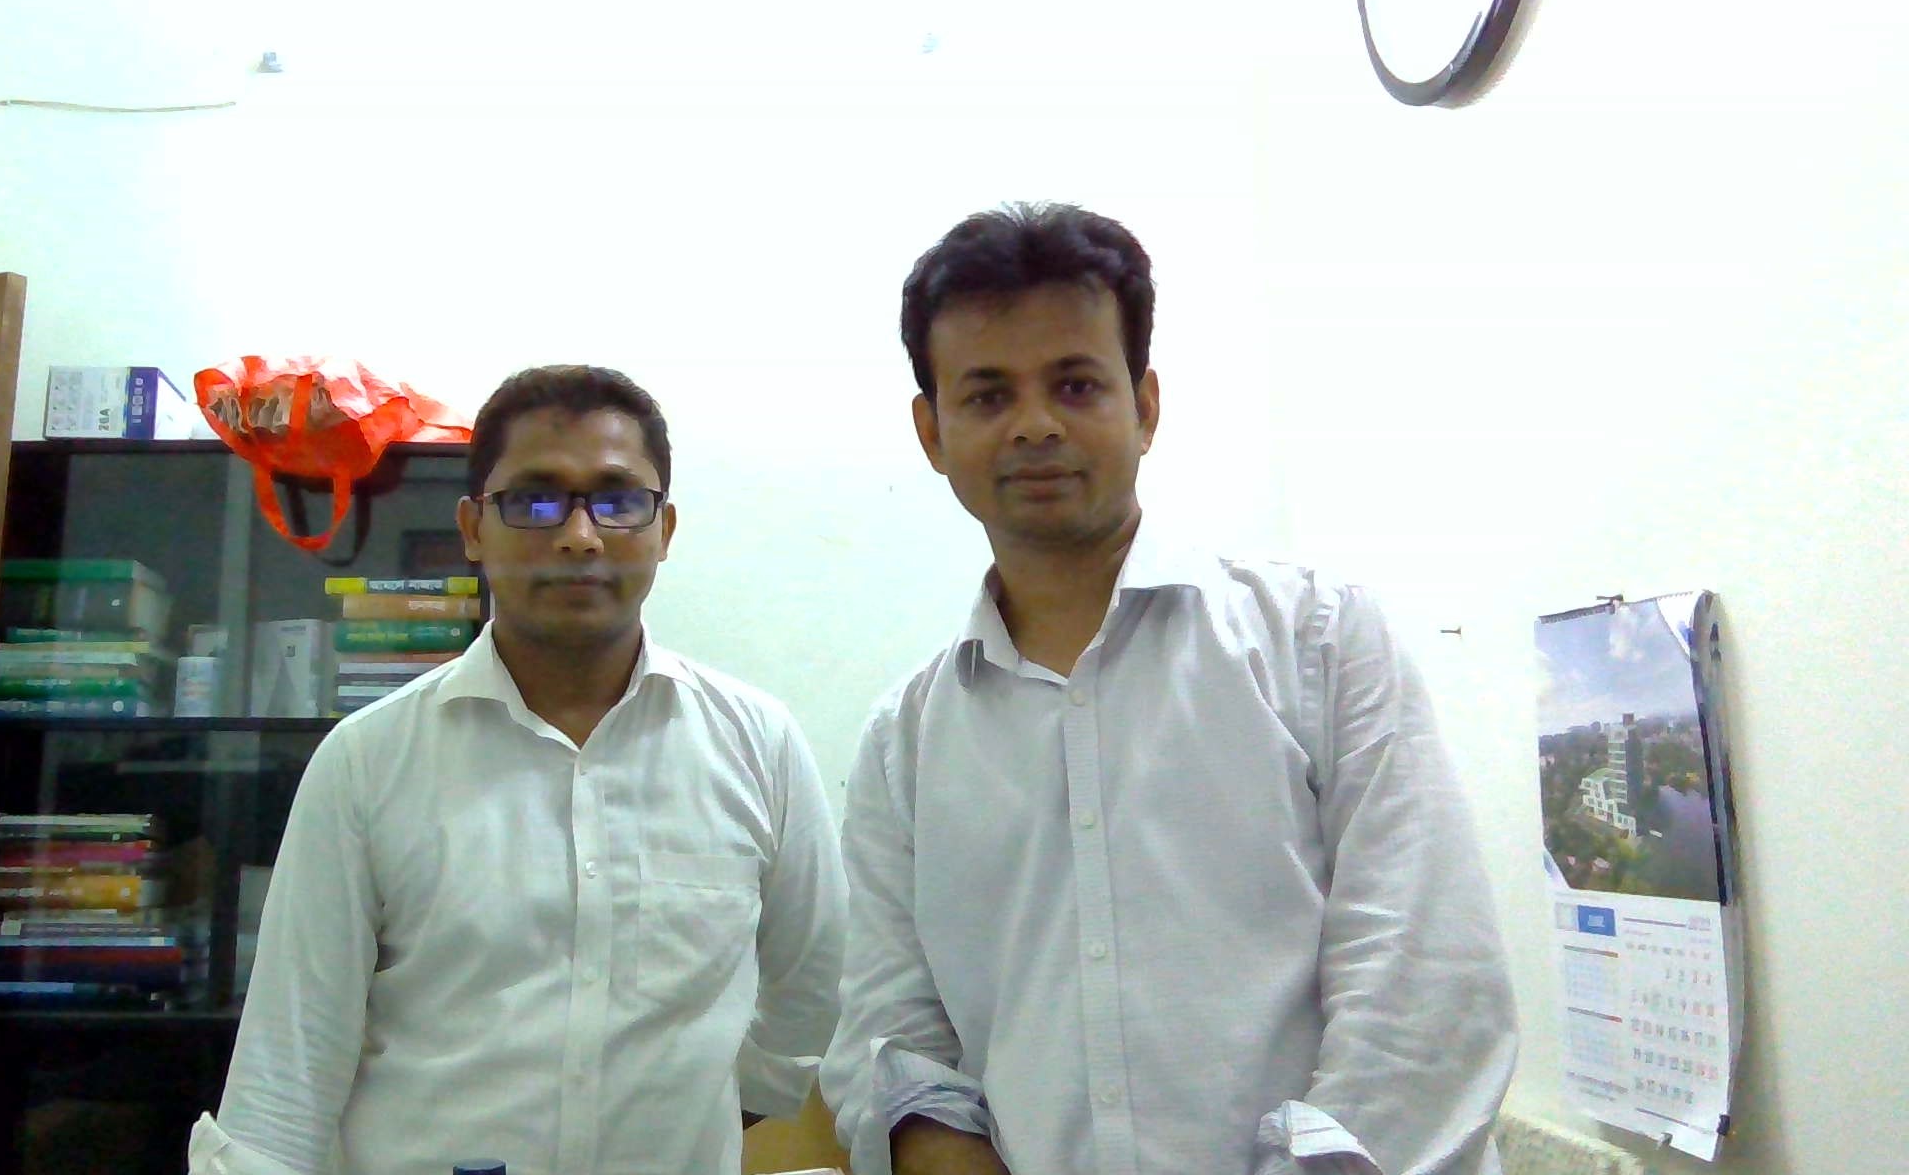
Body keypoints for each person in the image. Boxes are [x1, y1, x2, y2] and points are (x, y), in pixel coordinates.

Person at [822, 204, 1517, 1175]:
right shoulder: (905, 740)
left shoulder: (1317, 640)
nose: (1035, 425)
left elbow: (1425, 987)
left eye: (1075, 385)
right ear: (931, 431)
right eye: (987, 395)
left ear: (1145, 406)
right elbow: (892, 1036)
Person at [192, 364, 846, 1175]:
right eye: (535, 501)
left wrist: (729, 1107)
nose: (579, 536)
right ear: (473, 528)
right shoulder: (366, 762)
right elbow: (287, 1069)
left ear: (664, 529)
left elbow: (812, 982)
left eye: (618, 500)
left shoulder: (758, 746)